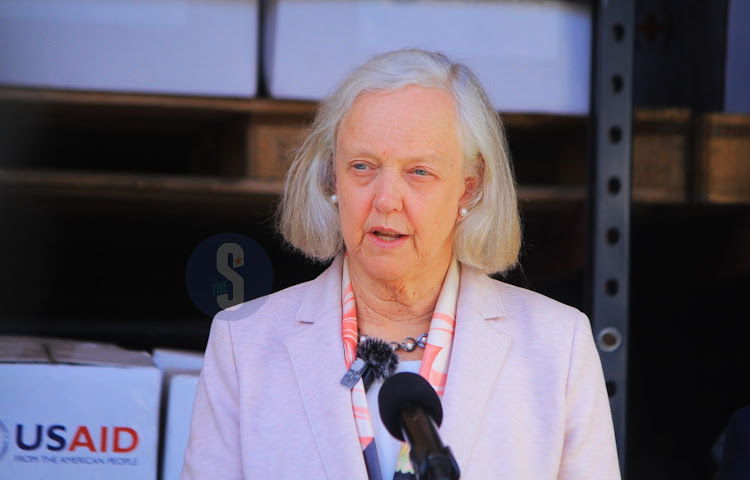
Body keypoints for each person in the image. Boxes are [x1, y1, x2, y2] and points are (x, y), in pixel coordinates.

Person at [180, 49, 620, 480]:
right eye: (362, 166)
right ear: (333, 179)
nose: (386, 199)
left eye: (419, 172)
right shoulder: (244, 345)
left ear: (469, 189)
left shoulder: (557, 347)